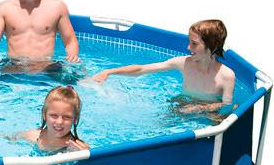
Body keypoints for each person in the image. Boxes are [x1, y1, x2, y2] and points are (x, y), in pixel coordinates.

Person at [92, 19, 235, 113]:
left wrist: (199, 108)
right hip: (181, 105)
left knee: (219, 121)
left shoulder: (226, 76)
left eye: (194, 44)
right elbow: (142, 69)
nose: (188, 47)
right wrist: (110, 71)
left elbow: (227, 106)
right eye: (189, 41)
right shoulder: (184, 63)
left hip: (207, 112)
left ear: (212, 46)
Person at [0, 85, 89, 152]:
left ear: (75, 119)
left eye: (66, 117)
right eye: (54, 116)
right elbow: (12, 137)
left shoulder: (76, 148)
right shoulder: (34, 136)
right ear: (44, 114)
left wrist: (86, 156)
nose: (59, 122)